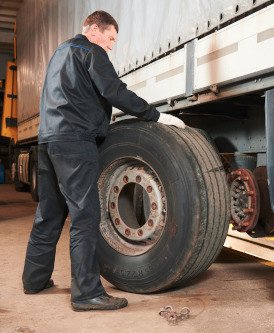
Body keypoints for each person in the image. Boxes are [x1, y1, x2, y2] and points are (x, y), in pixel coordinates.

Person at [22, 10, 184, 311]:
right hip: (74, 141)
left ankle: (34, 280)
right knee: (85, 217)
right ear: (93, 30)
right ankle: (86, 294)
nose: (111, 45)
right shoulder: (90, 51)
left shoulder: (60, 53)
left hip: (48, 141)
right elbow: (114, 91)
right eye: (110, 38)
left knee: (49, 213)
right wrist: (156, 114)